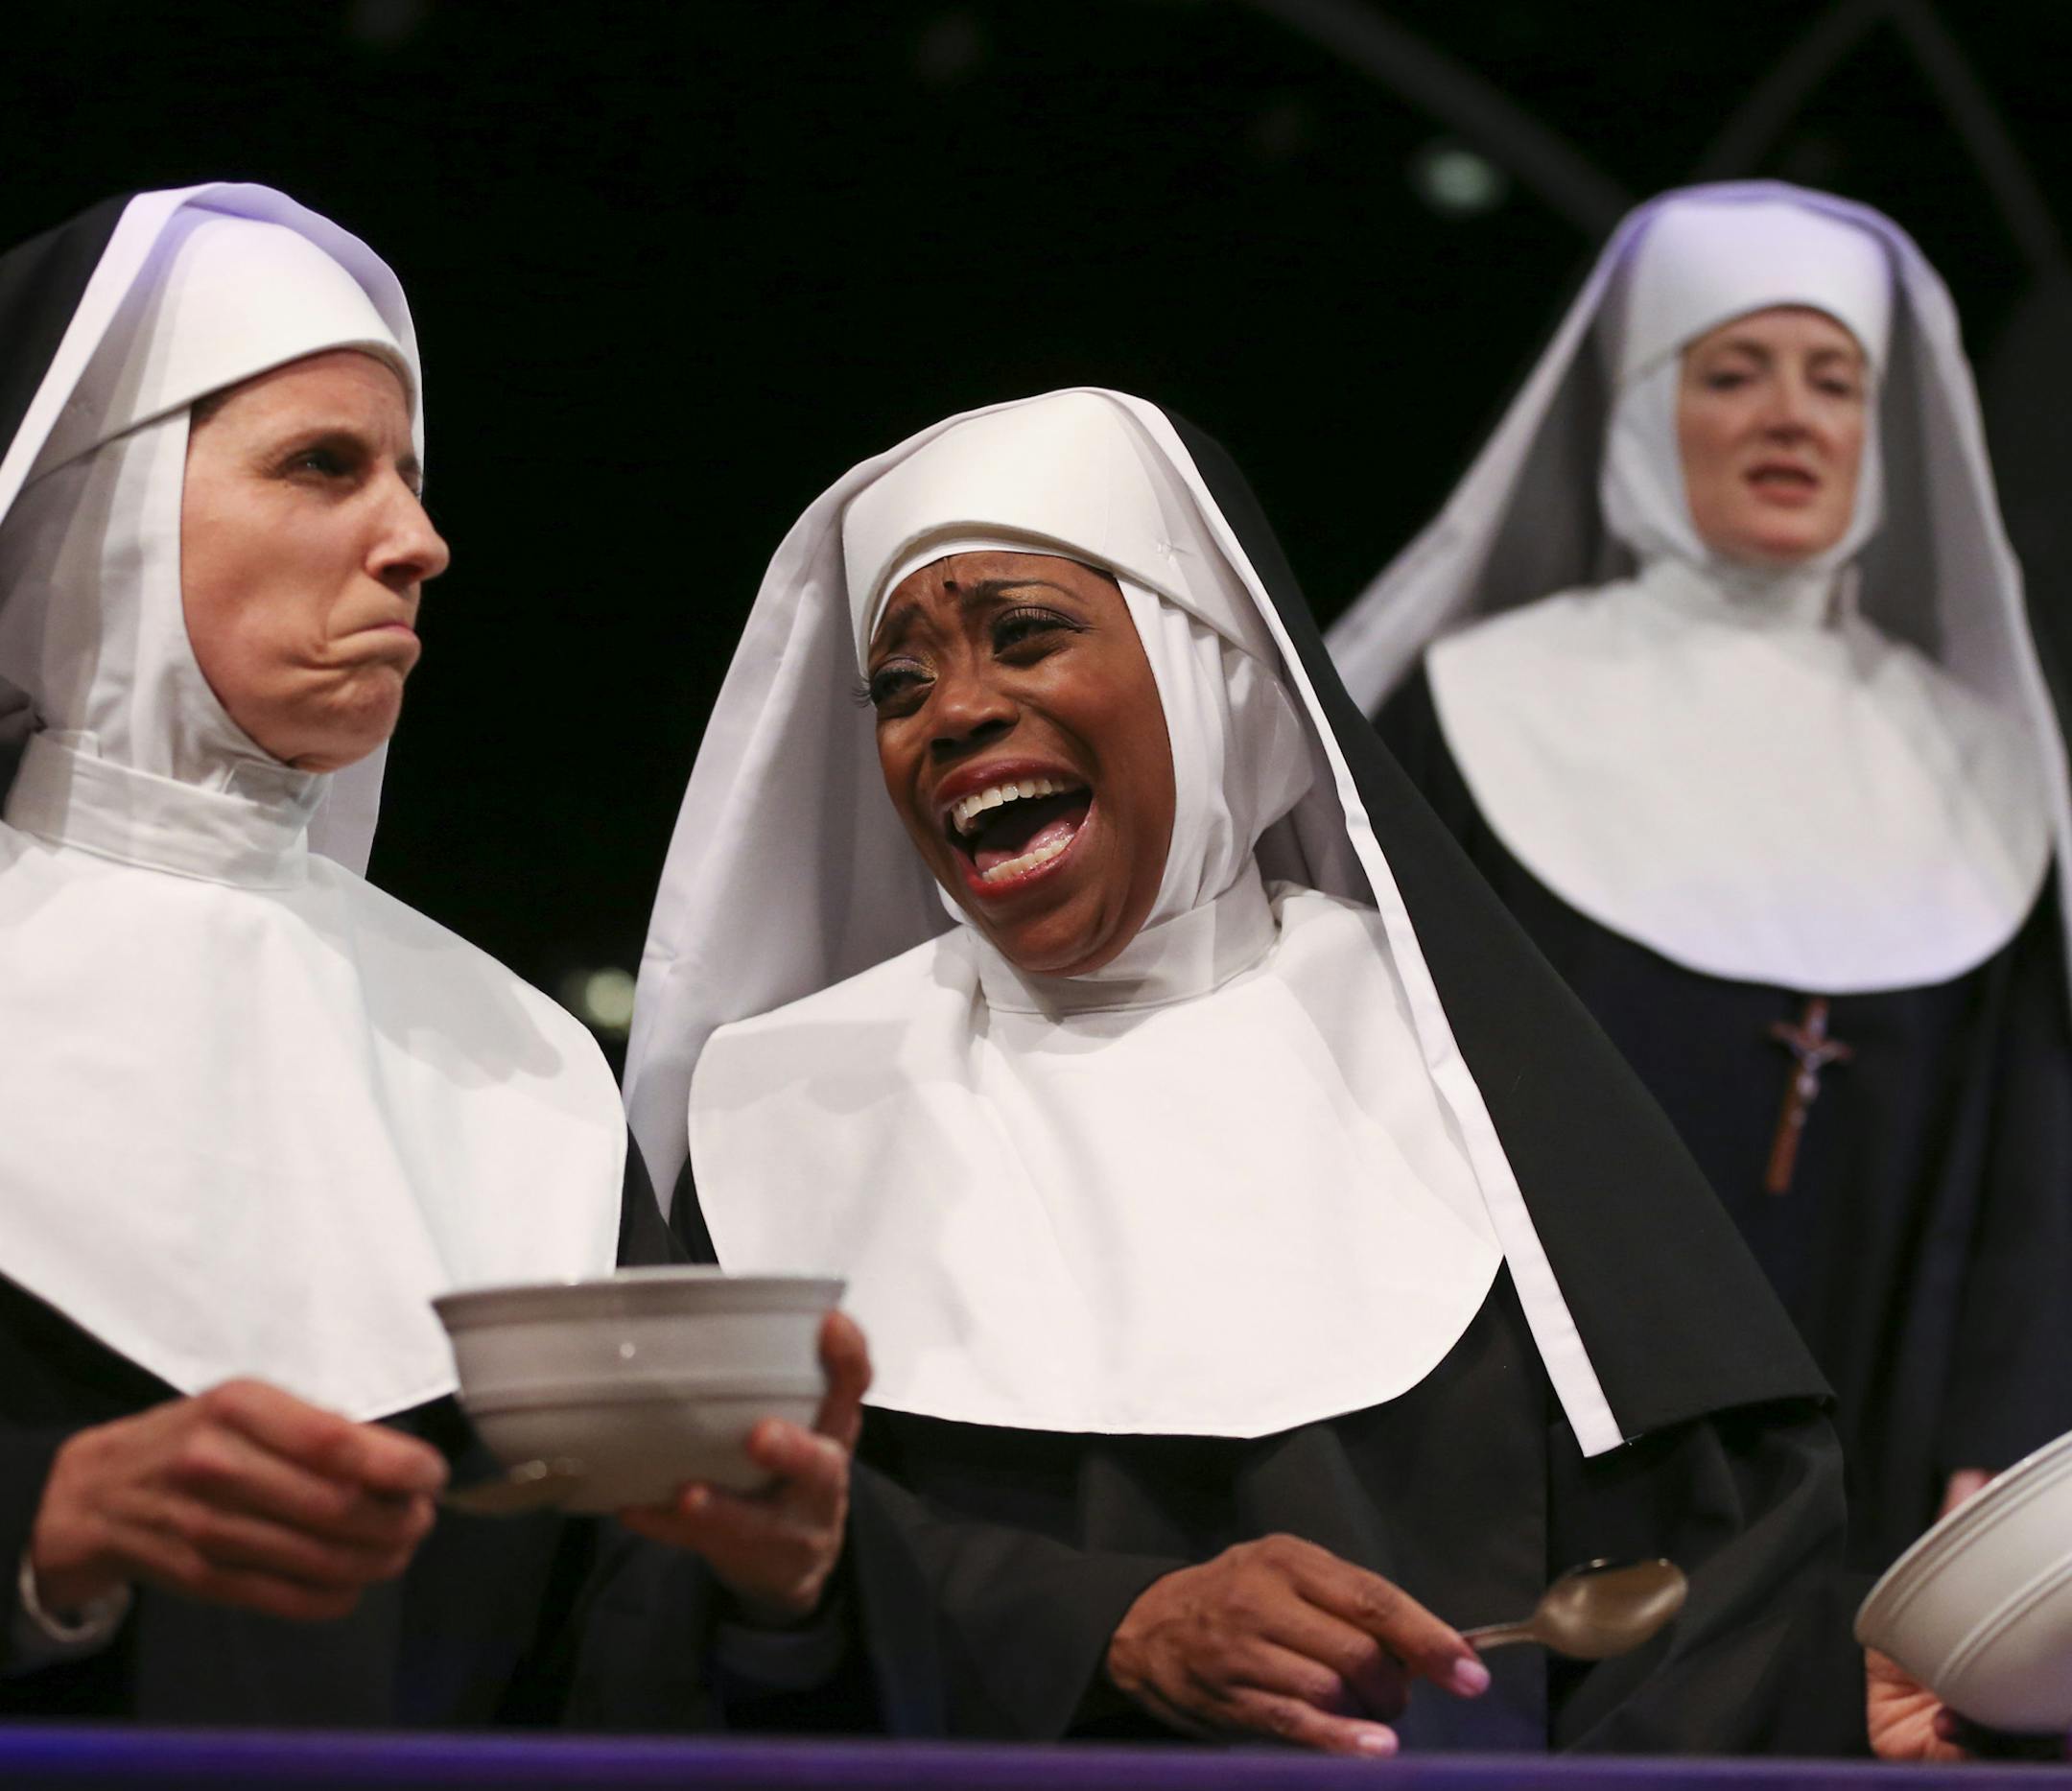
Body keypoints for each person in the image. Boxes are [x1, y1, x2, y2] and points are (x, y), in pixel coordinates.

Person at [620, 386, 1974, 1757]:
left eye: (1027, 635)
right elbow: (688, 1597)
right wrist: (1111, 1626)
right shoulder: (782, 1116)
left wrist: (1835, 1708)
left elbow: (1694, 1585)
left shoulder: (1462, 1070)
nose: (956, 712)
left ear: (1217, 677)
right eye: (899, 686)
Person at [0, 184, 862, 1727]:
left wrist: (774, 1592)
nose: (419, 541)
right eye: (323, 466)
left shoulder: (519, 1063)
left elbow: (606, 1651)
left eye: (409, 473)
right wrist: (36, 1533)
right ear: (98, 516)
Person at [1326, 182, 2072, 1573]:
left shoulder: (1983, 769)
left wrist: (2013, 1443)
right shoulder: (1482, 708)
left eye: (1836, 381)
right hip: (1525, 1465)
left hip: (1883, 1484)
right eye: (1734, 372)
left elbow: (2032, 1162)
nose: (1792, 416)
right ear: (1641, 410)